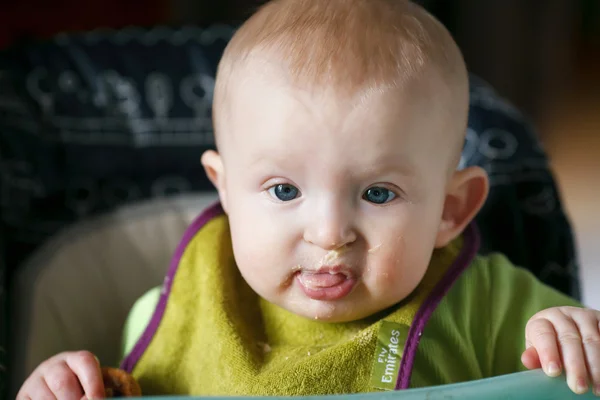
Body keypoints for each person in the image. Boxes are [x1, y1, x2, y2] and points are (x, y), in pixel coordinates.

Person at [17, 0, 599, 398]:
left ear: (450, 210)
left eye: (377, 193)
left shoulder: (492, 306)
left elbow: (581, 369)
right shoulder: (172, 310)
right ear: (224, 191)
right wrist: (64, 381)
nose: (328, 232)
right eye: (284, 190)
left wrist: (575, 334)